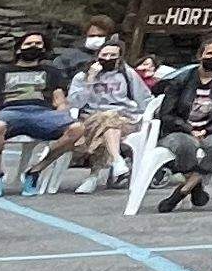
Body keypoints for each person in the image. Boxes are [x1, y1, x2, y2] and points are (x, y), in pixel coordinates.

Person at [150, 41, 212, 211]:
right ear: (200, 55)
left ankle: (183, 190)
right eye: (210, 53)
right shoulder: (181, 80)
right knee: (185, 145)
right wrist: (189, 129)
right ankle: (196, 188)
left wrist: (207, 130)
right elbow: (166, 113)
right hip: (179, 130)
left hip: (211, 128)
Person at [0, 31, 73, 194]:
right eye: (29, 44)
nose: (34, 47)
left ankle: (35, 170)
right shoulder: (1, 72)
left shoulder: (52, 72)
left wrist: (63, 113)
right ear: (18, 49)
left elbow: (59, 99)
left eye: (38, 44)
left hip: (42, 113)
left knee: (77, 129)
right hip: (10, 112)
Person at [55, 40, 149, 188]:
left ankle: (94, 176)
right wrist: (90, 80)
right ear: (97, 56)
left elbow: (144, 98)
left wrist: (146, 118)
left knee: (109, 122)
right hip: (92, 117)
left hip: (124, 117)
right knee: (107, 124)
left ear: (119, 58)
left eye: (113, 55)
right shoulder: (82, 77)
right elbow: (75, 103)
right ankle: (115, 160)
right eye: (105, 54)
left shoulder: (127, 74)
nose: (108, 58)